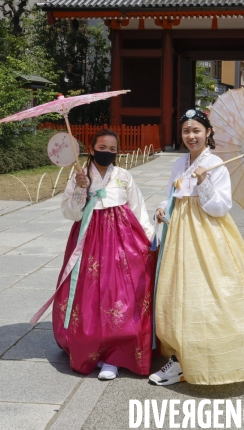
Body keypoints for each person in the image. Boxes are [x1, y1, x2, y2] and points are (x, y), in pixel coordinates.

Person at [149, 109, 244, 386]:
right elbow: (171, 192)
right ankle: (179, 357)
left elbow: (220, 207)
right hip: (178, 232)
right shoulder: (179, 163)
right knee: (176, 291)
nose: (191, 136)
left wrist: (204, 182)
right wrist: (160, 209)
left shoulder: (216, 164)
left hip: (207, 235)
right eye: (186, 131)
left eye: (196, 131)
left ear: (208, 133)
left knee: (206, 292)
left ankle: (209, 357)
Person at [53, 129, 156, 381]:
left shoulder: (124, 176)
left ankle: (115, 355)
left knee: (119, 294)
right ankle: (92, 348)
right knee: (88, 294)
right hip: (88, 239)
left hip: (122, 240)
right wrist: (79, 189)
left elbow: (137, 207)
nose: (107, 152)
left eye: (112, 149)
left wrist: (149, 237)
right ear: (91, 149)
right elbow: (71, 213)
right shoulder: (79, 175)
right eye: (102, 147)